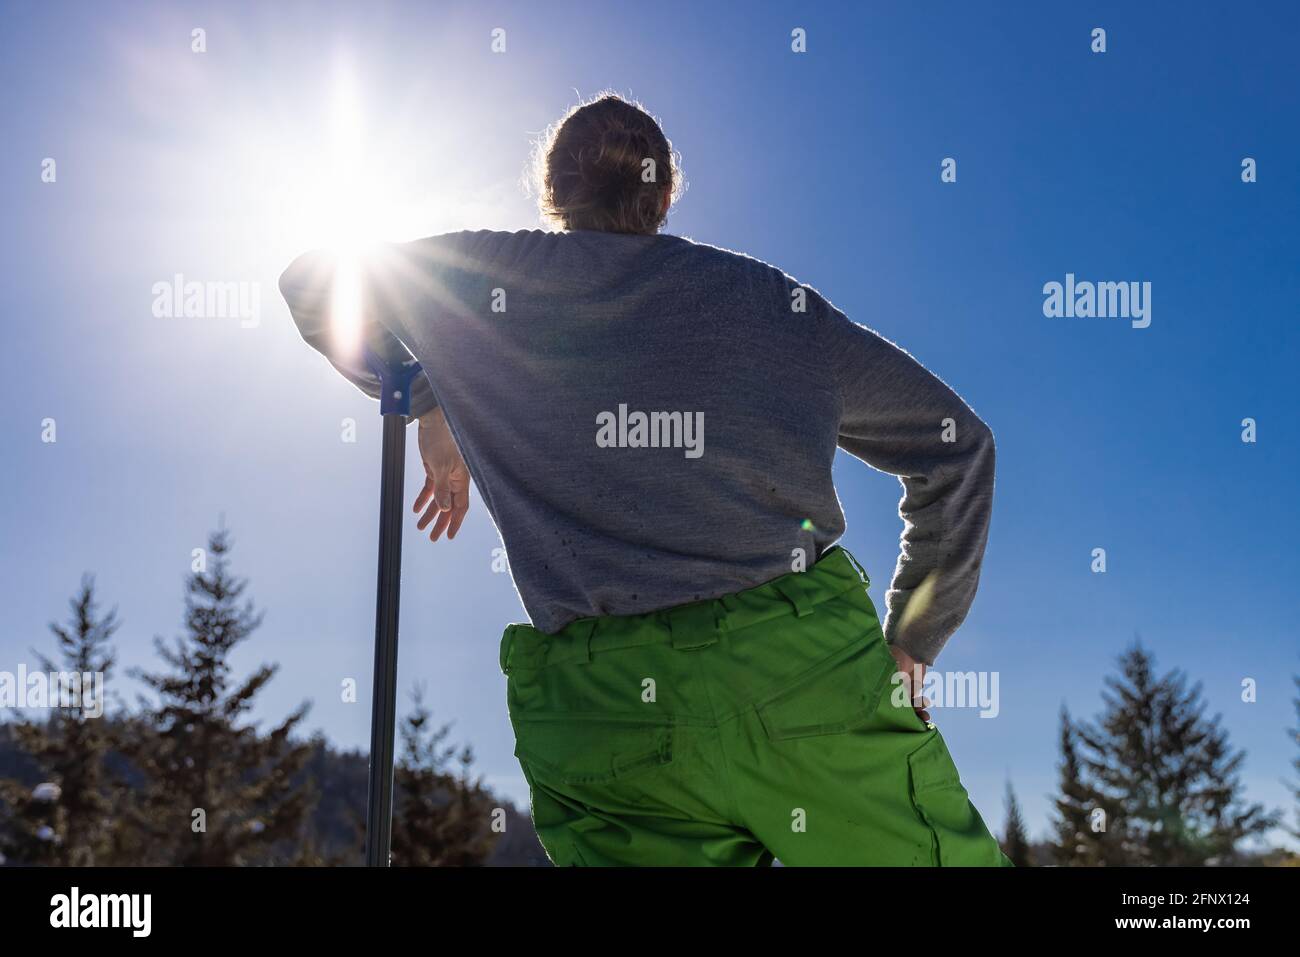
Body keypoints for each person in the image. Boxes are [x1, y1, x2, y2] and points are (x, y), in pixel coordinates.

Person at [280, 92, 1009, 866]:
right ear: (664, 196)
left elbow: (311, 282)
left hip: (601, 709)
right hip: (799, 674)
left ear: (553, 193)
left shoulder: (472, 279)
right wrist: (913, 639)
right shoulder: (771, 302)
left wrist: (430, 396)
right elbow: (957, 445)